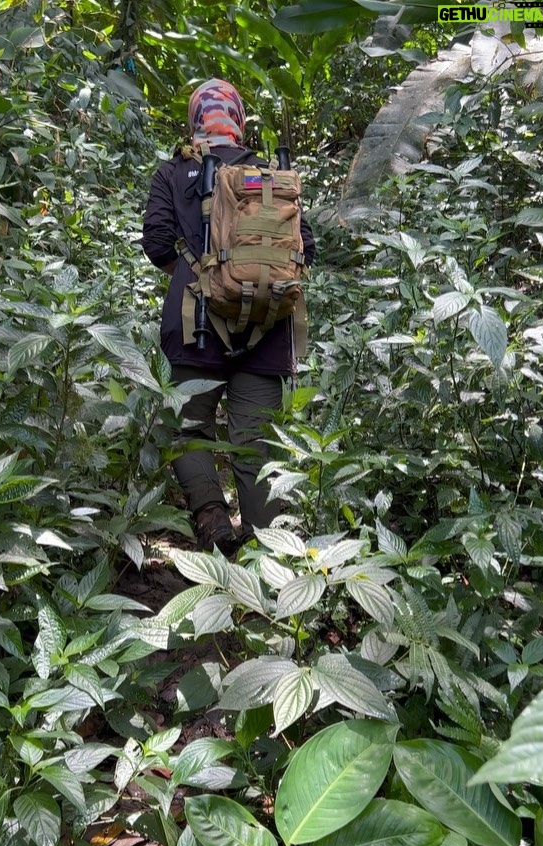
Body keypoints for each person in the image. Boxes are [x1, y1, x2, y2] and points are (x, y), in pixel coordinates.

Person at [142, 78, 316, 552]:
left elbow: (156, 242)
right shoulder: (271, 178)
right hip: (267, 328)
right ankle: (265, 561)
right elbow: (307, 249)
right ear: (238, 121)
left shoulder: (172, 173)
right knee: (255, 444)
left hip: (194, 330)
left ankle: (214, 519)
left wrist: (202, 277)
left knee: (187, 429)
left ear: (195, 120)